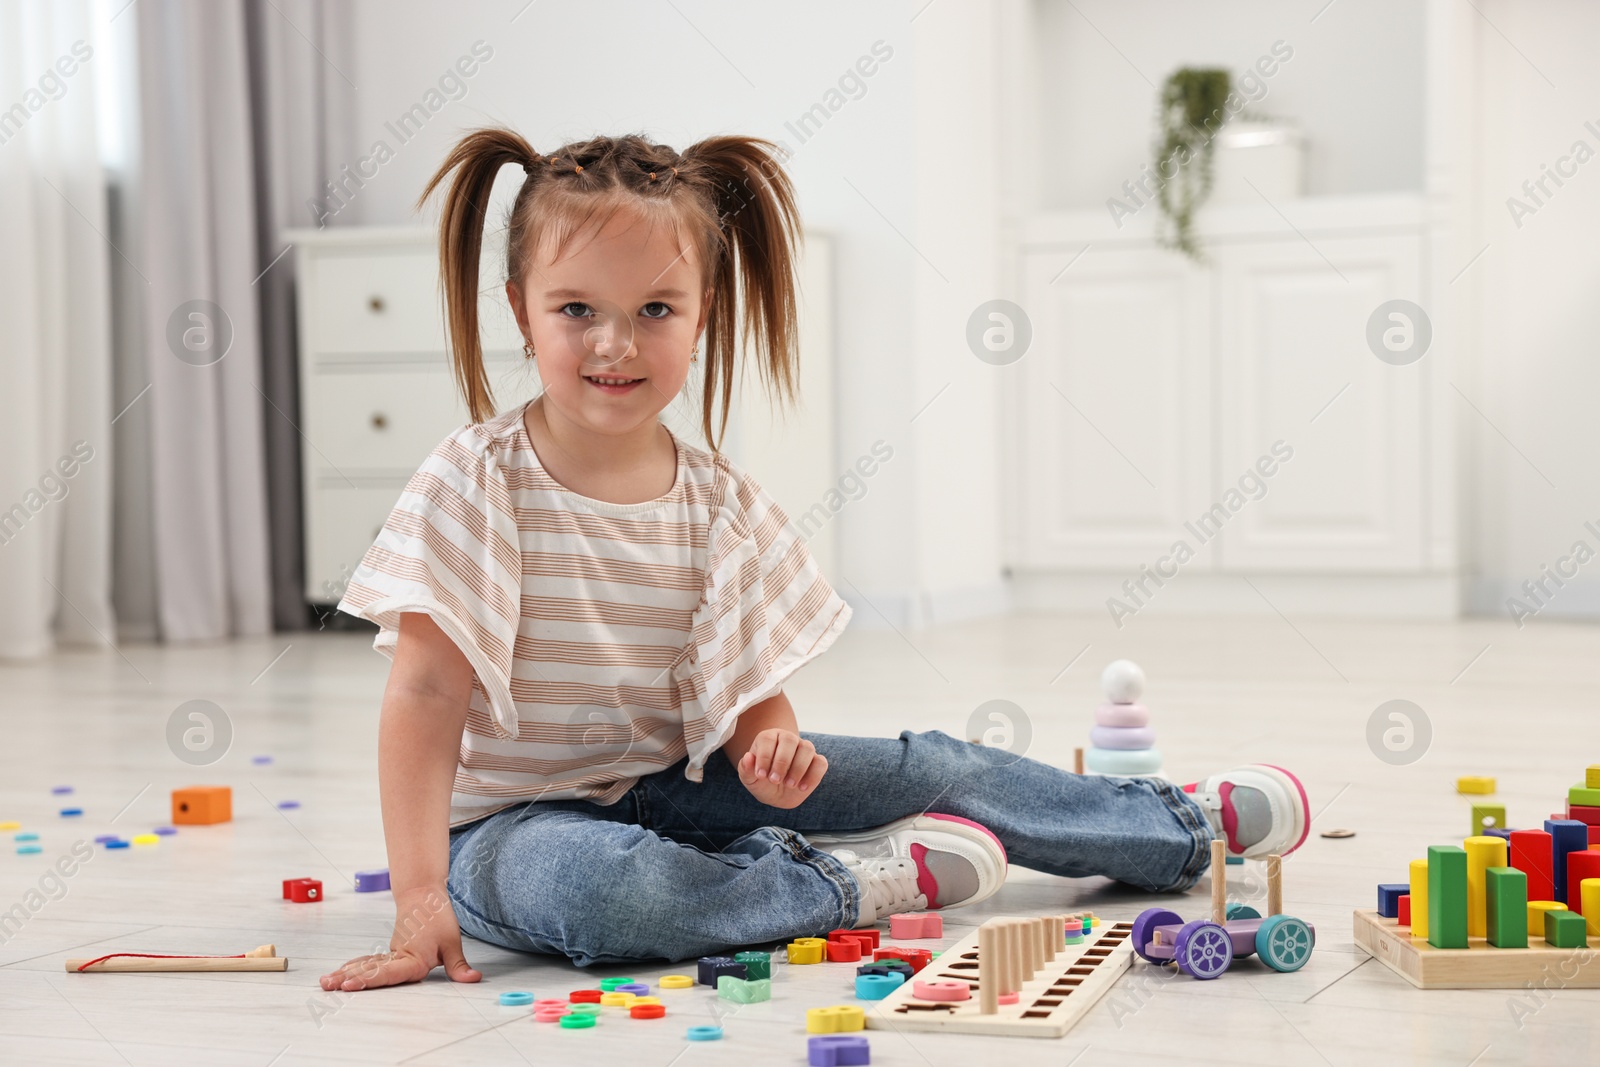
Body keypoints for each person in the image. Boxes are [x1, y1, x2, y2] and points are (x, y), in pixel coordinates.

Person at [319, 127, 1310, 991]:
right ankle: (861, 881)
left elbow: (752, 697)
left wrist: (772, 745)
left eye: (655, 310)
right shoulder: (475, 480)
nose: (615, 342)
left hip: (679, 781)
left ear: (701, 311)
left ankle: (1171, 827)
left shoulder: (720, 503)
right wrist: (417, 895)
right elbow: (424, 696)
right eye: (576, 308)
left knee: (927, 765)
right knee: (607, 892)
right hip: (507, 830)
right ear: (519, 306)